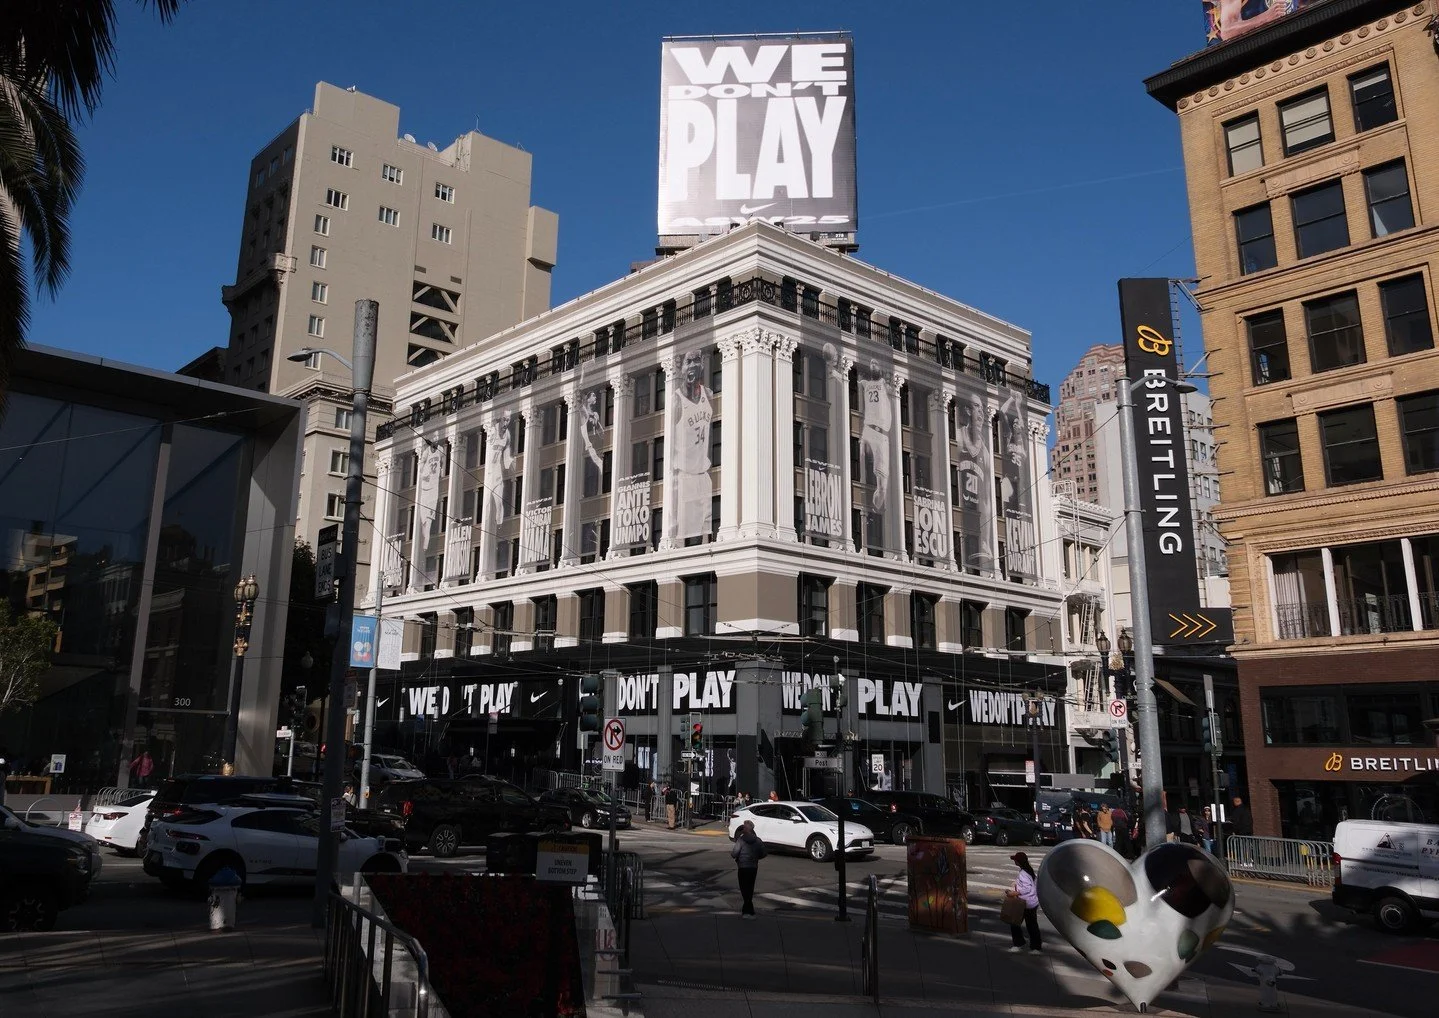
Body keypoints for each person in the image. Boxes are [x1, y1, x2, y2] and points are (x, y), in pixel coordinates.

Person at [667, 348, 715, 542]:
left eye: (696, 361)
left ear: (702, 365)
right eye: (688, 362)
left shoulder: (709, 394)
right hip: (684, 475)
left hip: (703, 474)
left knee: (707, 529)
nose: (692, 365)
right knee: (681, 532)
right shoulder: (676, 401)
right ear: (681, 369)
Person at [857, 360, 892, 514]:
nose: (872, 364)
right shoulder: (865, 383)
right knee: (859, 456)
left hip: (881, 434)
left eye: (876, 363)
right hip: (868, 429)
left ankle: (877, 508)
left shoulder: (884, 383)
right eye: (870, 363)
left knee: (882, 486)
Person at [731, 819, 767, 919]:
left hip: (742, 866)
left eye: (743, 827)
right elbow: (764, 853)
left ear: (746, 829)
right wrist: (756, 858)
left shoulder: (741, 840)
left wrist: (736, 856)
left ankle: (747, 910)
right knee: (750, 888)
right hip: (753, 867)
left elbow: (734, 853)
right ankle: (749, 910)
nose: (742, 829)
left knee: (743, 888)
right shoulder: (758, 840)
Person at [1007, 852, 1042, 952]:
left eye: (1015, 860)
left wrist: (1015, 893)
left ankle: (1018, 944)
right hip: (1033, 902)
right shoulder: (1029, 871)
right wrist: (1017, 883)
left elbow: (1027, 888)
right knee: (1032, 925)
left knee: (1014, 923)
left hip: (1025, 903)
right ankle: (1036, 947)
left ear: (1018, 862)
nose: (1014, 861)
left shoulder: (1023, 873)